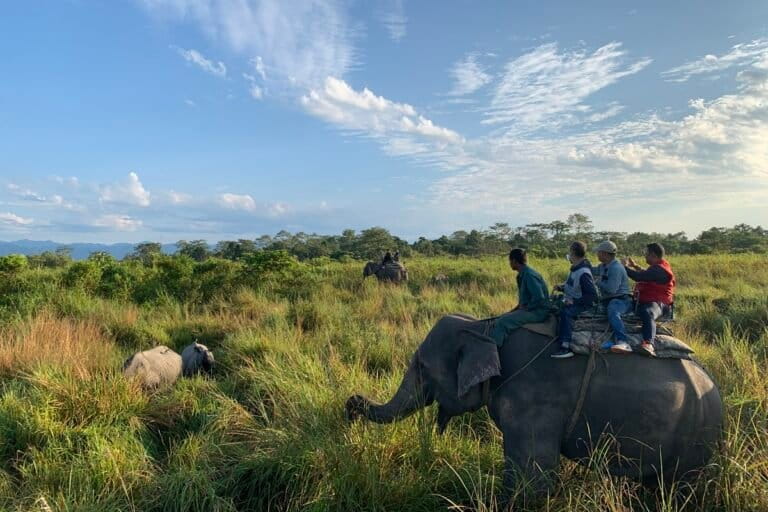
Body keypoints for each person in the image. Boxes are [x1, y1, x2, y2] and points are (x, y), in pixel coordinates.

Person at [622, 243, 676, 357]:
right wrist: (635, 266)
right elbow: (646, 273)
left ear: (653, 255)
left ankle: (648, 343)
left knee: (648, 312)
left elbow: (639, 277)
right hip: (647, 300)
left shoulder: (660, 270)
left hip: (659, 304)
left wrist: (624, 267)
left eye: (646, 254)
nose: (645, 256)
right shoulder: (657, 267)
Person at [490, 248, 551, 347]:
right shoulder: (522, 275)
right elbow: (524, 300)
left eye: (510, 261)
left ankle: (492, 351)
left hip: (538, 312)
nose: (509, 264)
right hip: (530, 309)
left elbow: (539, 298)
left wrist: (526, 308)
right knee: (500, 318)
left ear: (514, 261)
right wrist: (513, 310)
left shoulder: (529, 275)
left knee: (502, 323)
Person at [551, 242, 597, 359]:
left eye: (569, 252)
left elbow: (592, 295)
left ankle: (565, 346)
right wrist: (561, 287)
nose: (568, 255)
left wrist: (574, 302)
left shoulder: (584, 273)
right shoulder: (575, 269)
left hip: (582, 304)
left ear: (573, 253)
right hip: (571, 299)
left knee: (566, 313)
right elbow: (572, 285)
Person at [591, 241, 634, 354]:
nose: (597, 255)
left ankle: (623, 341)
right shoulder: (603, 266)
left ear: (605, 254)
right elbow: (593, 270)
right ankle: (609, 339)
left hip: (621, 300)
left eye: (599, 253)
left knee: (613, 310)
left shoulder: (616, 268)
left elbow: (611, 289)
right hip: (608, 300)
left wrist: (598, 282)